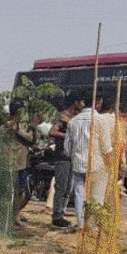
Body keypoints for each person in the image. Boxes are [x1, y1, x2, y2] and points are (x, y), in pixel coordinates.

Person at [64, 92, 113, 230]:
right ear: (98, 103)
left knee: (80, 195)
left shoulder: (72, 122)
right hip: (97, 165)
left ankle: (80, 223)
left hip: (78, 164)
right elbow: (107, 148)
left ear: (84, 103)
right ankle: (92, 226)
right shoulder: (101, 120)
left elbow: (67, 149)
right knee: (96, 196)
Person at [47, 94, 83, 228]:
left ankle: (61, 214)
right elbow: (52, 131)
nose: (83, 105)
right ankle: (56, 217)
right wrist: (68, 136)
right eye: (82, 102)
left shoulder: (74, 117)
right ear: (75, 102)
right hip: (62, 156)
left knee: (68, 188)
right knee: (61, 187)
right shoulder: (63, 117)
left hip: (72, 156)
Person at [5, 100, 37, 215]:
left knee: (22, 191)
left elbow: (31, 139)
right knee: (12, 191)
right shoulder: (6, 125)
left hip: (22, 162)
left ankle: (15, 214)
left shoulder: (23, 125)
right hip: (11, 163)